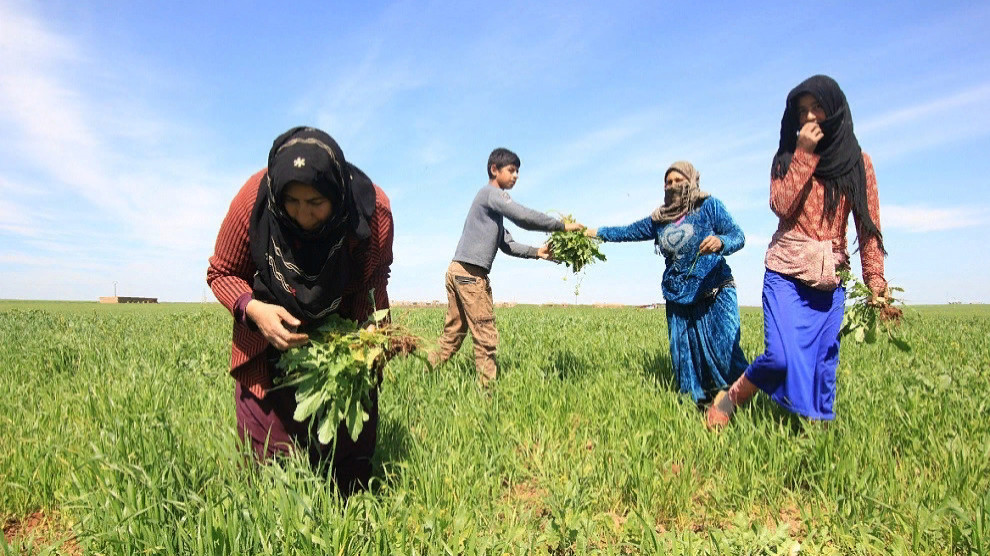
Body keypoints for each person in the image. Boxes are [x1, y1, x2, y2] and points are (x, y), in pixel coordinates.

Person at [207, 126, 393, 494]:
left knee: (349, 447)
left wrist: (373, 327)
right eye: (292, 202)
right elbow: (222, 272)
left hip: (341, 330)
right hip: (267, 329)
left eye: (316, 203)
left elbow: (376, 275)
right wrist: (255, 311)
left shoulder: (371, 212)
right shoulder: (253, 202)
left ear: (337, 195)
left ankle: (350, 512)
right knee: (269, 460)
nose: (304, 215)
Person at [706, 75, 893, 427]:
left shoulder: (859, 163)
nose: (810, 117)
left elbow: (868, 227)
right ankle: (731, 399)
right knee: (779, 358)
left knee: (824, 363)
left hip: (829, 279)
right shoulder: (787, 159)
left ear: (835, 109)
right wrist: (804, 156)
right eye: (802, 111)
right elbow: (781, 205)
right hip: (786, 273)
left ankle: (815, 436)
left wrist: (876, 281)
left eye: (817, 107)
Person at [586, 161, 748, 404]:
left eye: (678, 181)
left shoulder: (709, 206)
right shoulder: (660, 218)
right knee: (685, 358)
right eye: (668, 182)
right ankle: (698, 406)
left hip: (713, 290)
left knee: (725, 351)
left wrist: (720, 242)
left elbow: (737, 235)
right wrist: (591, 232)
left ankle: (741, 400)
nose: (672, 186)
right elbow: (626, 232)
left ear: (692, 181)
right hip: (678, 294)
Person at [427, 147, 583, 386]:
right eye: (511, 170)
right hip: (470, 275)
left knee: (455, 333)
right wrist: (560, 226)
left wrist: (537, 253)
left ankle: (424, 373)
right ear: (494, 170)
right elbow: (522, 216)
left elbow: (507, 244)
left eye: (518, 171)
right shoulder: (492, 194)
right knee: (485, 335)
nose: (516, 175)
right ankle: (487, 398)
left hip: (458, 271)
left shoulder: (492, 211)